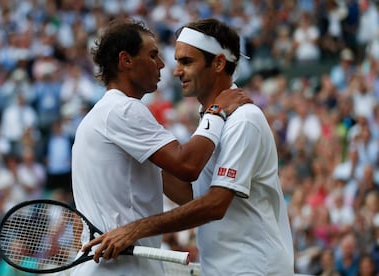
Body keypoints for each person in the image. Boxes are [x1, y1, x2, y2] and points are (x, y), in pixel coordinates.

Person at [83, 18, 295, 275]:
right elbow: (191, 196)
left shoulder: (243, 119)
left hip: (255, 267)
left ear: (218, 63)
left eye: (186, 62)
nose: (173, 70)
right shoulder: (211, 119)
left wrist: (135, 228)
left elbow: (215, 204)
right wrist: (144, 155)